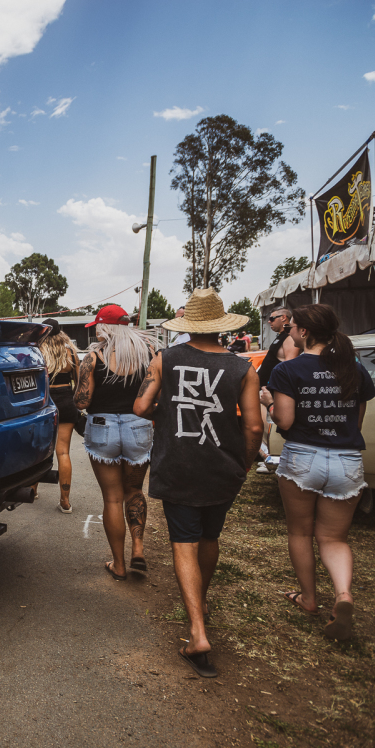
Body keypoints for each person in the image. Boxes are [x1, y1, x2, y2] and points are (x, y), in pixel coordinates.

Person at [134, 288, 263, 678]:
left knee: (184, 543)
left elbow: (141, 406)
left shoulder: (165, 358)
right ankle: (201, 602)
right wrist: (244, 463)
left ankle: (197, 632)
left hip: (178, 464)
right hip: (222, 467)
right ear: (222, 326)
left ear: (187, 325)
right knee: (209, 537)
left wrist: (167, 409)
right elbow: (254, 427)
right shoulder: (244, 368)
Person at [261, 304, 375, 641]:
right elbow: (357, 421)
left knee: (300, 532)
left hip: (303, 457)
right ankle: (343, 594)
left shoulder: (287, 370)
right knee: (334, 538)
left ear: (304, 332)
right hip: (347, 460)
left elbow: (284, 421)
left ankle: (308, 598)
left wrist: (269, 402)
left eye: (292, 326)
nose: (289, 331)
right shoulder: (354, 369)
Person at [74, 304, 159, 580]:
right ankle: (138, 549)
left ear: (105, 327)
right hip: (139, 426)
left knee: (112, 498)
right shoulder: (149, 353)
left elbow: (82, 401)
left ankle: (119, 565)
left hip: (102, 428)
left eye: (97, 327)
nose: (96, 332)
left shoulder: (94, 357)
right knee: (134, 490)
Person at [39, 330, 80, 513]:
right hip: (66, 400)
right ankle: (65, 501)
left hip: (44, 402)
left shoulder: (39, 352)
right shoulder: (70, 352)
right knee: (63, 452)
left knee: (40, 450)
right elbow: (78, 383)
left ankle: (33, 490)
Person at [255, 307, 301, 473]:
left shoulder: (289, 338)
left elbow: (289, 365)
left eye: (272, 318)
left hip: (272, 391)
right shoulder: (280, 337)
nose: (269, 321)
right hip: (265, 388)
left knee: (269, 426)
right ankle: (268, 456)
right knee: (262, 425)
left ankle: (272, 458)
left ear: (283, 318)